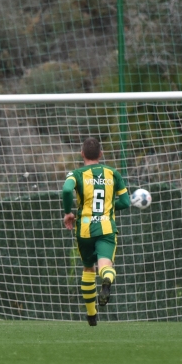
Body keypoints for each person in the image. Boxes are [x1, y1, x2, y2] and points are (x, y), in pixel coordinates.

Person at [62, 137, 130, 327]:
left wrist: (68, 213)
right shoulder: (113, 173)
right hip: (106, 227)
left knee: (88, 268)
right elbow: (125, 202)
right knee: (105, 265)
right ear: (101, 154)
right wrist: (107, 207)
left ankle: (92, 315)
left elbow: (67, 191)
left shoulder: (75, 174)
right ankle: (107, 279)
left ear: (82, 154)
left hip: (84, 229)